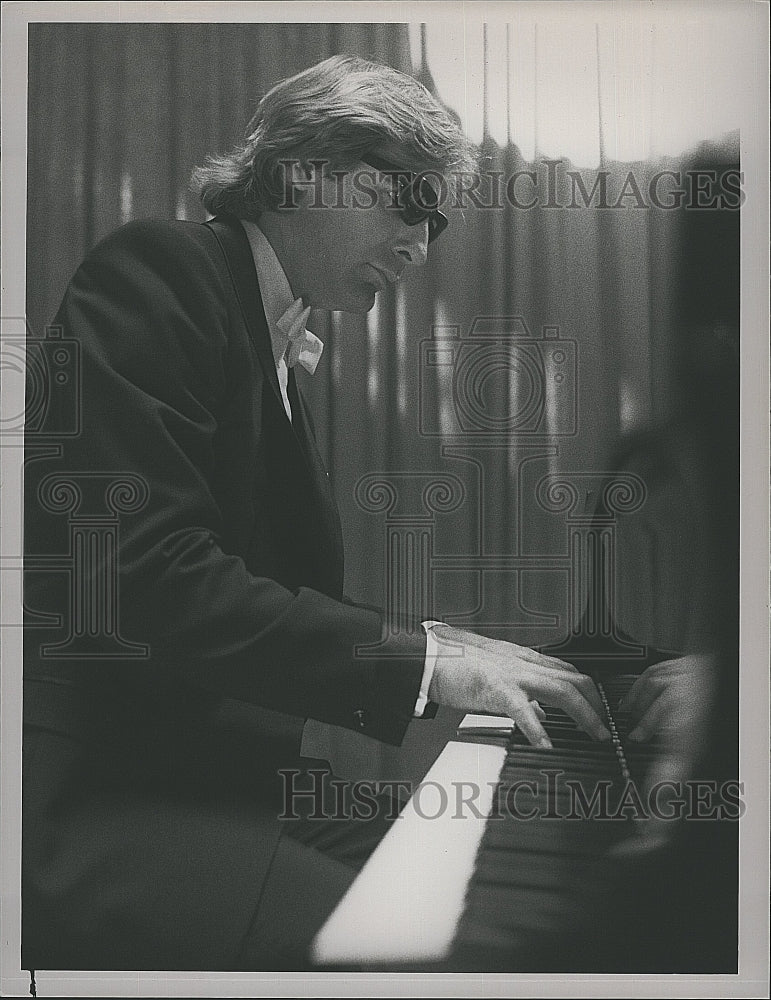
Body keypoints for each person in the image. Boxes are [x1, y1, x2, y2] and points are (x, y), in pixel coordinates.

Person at [22, 55, 610, 972]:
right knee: (442, 954)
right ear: (310, 169)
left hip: (225, 784)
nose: (421, 245)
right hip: (97, 800)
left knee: (502, 896)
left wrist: (445, 640)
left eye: (436, 220)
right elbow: (145, 575)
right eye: (410, 201)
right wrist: (421, 663)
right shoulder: (161, 269)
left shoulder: (270, 326)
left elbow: (253, 585)